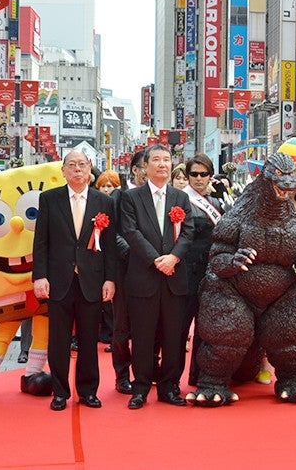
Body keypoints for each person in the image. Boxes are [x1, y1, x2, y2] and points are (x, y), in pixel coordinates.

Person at [33, 151, 118, 411]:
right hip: (59, 281)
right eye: (72, 165)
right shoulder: (50, 199)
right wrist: (40, 276)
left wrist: (110, 280)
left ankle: (88, 391)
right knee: (58, 341)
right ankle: (60, 392)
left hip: (92, 281)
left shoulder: (104, 201)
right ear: (63, 170)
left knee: (89, 340)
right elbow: (41, 242)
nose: (77, 170)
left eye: (82, 165)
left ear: (90, 168)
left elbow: (111, 247)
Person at [120, 143, 195, 409]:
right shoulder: (131, 198)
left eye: (167, 160)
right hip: (144, 278)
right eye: (157, 160)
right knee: (142, 335)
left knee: (174, 336)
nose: (163, 164)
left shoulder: (181, 197)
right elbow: (131, 232)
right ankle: (140, 388)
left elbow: (188, 232)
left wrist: (173, 258)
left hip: (174, 277)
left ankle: (170, 387)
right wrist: (156, 260)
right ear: (145, 166)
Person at [181, 154, 223, 387]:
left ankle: (199, 376)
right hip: (185, 270)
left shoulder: (216, 203)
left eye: (203, 174)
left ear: (210, 175)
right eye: (194, 174)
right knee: (180, 326)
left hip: (211, 271)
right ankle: (170, 378)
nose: (198, 178)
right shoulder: (179, 199)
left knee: (205, 327)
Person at [110, 153, 146, 394]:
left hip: (152, 271)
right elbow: (110, 230)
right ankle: (121, 375)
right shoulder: (119, 196)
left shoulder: (162, 196)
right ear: (134, 170)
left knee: (148, 326)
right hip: (125, 270)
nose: (147, 170)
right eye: (143, 166)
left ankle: (145, 373)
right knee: (122, 327)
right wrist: (133, 253)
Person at [95, 170, 123, 349]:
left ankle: (113, 333)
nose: (106, 190)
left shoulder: (119, 203)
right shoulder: (94, 202)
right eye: (103, 186)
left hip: (115, 254)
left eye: (110, 186)